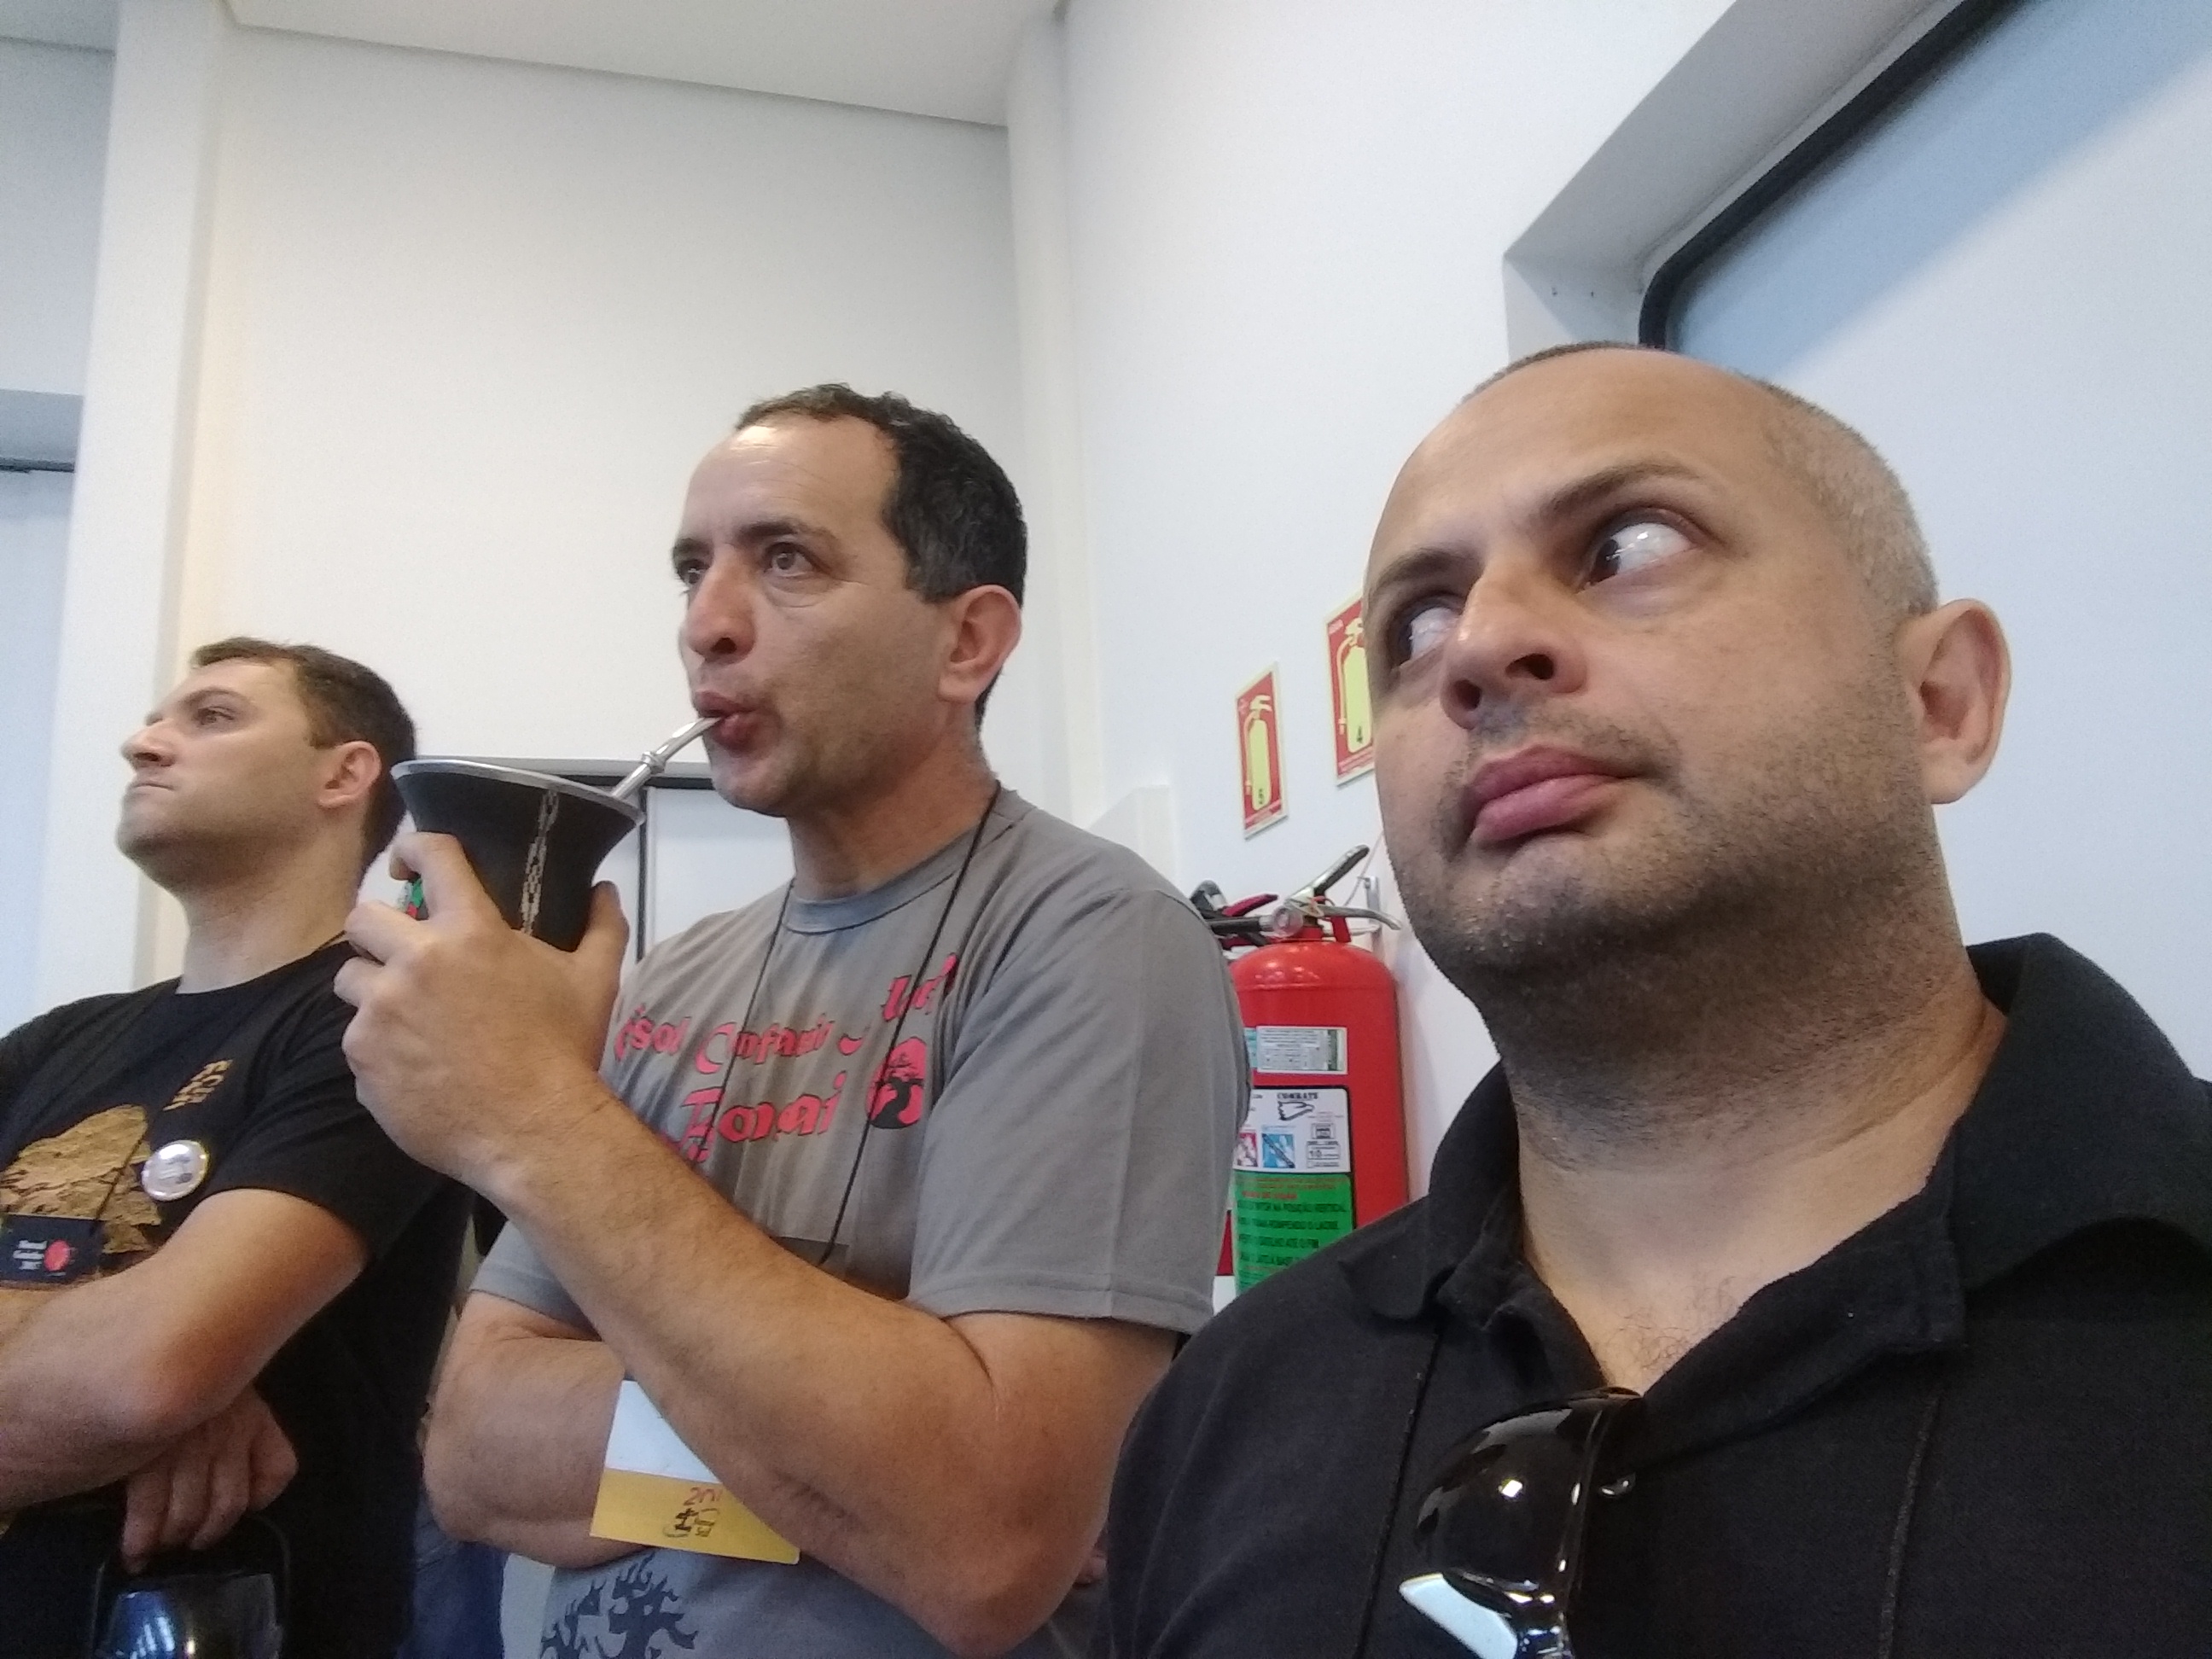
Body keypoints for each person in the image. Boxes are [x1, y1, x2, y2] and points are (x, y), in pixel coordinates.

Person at [1101, 346, 2212, 1658]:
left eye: (1628, 544)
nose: (1479, 648)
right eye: (1418, 624)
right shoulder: (1227, 1410)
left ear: (1939, 702)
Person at [336, 386, 1246, 1657]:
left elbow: (982, 1540)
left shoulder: (1092, 937)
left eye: (786, 561)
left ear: (967, 642)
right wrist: (831, 1474)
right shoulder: (674, 981)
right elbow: (476, 1453)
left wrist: (533, 1117)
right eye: (691, 570)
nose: (706, 625)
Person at [0, 638, 469, 1658]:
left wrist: (148, 1385)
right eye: (154, 720)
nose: (142, 745)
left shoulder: (383, 1025)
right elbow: (141, 1381)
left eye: (210, 717)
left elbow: (143, 1376)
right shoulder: (53, 1046)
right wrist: (115, 1387)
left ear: (344, 774)